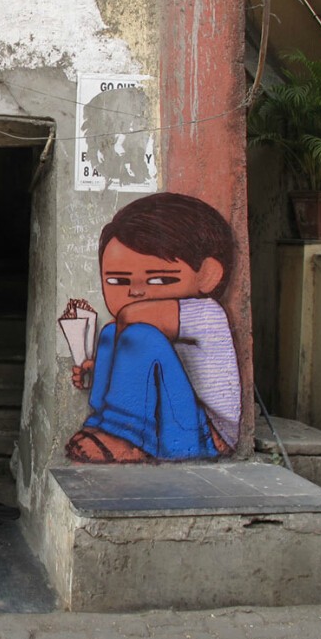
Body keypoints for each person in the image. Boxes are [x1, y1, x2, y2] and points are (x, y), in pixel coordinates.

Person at [65, 192, 240, 462]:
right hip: (172, 420)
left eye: (159, 280)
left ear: (207, 275)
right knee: (111, 334)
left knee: (138, 336)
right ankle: (103, 424)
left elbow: (134, 316)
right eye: (118, 281)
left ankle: (126, 437)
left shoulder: (207, 312)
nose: (136, 292)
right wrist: (100, 369)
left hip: (206, 435)